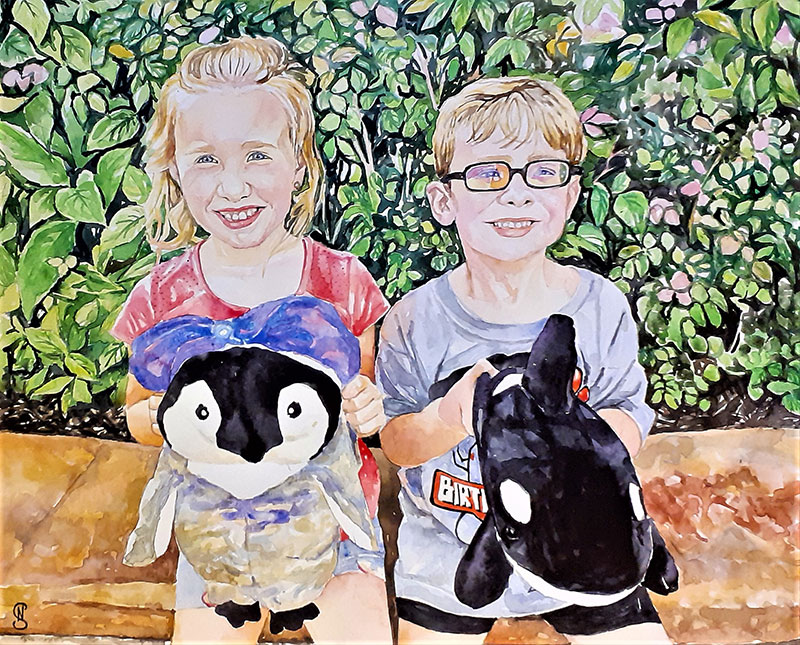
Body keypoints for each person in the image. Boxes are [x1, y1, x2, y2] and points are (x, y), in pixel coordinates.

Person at [110, 35, 391, 645]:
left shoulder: (342, 282)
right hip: (215, 526)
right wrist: (161, 417)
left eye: (257, 155)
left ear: (300, 164)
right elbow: (137, 412)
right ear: (174, 170)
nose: (233, 186)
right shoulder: (164, 295)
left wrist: (367, 408)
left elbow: (361, 399)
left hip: (330, 522)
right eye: (206, 159)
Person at [376, 76, 673, 645]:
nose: (517, 194)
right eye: (488, 173)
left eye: (543, 172)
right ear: (444, 201)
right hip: (448, 554)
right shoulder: (415, 318)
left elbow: (629, 416)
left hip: (586, 548)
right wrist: (447, 418)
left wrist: (568, 438)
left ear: (571, 194)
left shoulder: (599, 305)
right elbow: (396, 442)